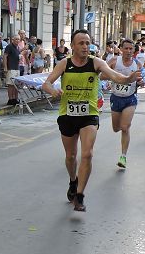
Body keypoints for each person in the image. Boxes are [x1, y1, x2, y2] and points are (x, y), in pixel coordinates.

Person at [42, 29, 135, 212]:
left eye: (88, 43)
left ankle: (80, 194)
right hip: (67, 114)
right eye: (81, 43)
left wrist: (128, 78)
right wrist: (53, 91)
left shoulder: (96, 63)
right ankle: (73, 180)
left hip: (89, 114)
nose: (85, 47)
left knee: (87, 154)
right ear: (73, 46)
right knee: (70, 157)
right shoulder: (64, 64)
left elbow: (115, 76)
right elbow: (47, 83)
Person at [106, 38, 142, 169]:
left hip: (130, 98)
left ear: (134, 50)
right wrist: (114, 77)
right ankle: (121, 126)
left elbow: (143, 80)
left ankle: (123, 156)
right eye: (126, 48)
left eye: (131, 49)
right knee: (116, 128)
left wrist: (142, 82)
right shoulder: (114, 61)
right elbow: (101, 75)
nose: (128, 51)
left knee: (125, 127)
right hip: (116, 98)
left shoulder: (137, 64)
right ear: (121, 49)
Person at [3, 34, 21, 105]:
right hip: (11, 68)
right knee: (11, 84)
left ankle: (15, 98)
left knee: (16, 84)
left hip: (17, 67)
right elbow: (5, 56)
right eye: (16, 39)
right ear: (12, 40)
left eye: (18, 39)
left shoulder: (17, 47)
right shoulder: (9, 46)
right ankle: (10, 99)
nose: (17, 40)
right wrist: (5, 67)